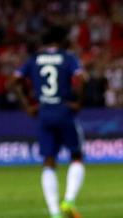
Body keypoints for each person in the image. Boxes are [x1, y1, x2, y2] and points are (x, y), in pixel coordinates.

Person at [17, 26, 86, 218]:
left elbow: (14, 81)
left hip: (44, 112)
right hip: (63, 110)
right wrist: (78, 102)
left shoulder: (34, 59)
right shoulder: (68, 57)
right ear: (61, 40)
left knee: (48, 162)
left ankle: (54, 213)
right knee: (77, 156)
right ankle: (69, 200)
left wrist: (27, 106)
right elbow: (81, 78)